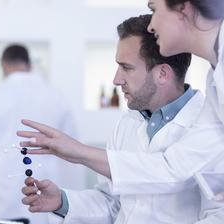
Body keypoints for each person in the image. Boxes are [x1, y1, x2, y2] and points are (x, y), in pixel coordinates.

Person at [18, 15, 210, 223]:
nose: (116, 80)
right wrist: (62, 201)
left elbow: (214, 210)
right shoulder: (129, 123)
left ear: (163, 73)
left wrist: (78, 151)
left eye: (126, 68)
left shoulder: (208, 126)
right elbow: (114, 202)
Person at [0, 44, 85, 223]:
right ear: (29, 64)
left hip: (4, 195)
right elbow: (72, 149)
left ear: (4, 65)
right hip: (47, 192)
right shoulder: (56, 97)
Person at [146, 0, 224, 217]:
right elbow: (177, 165)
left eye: (153, 10)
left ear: (184, 7)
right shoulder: (214, 78)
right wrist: (77, 151)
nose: (150, 26)